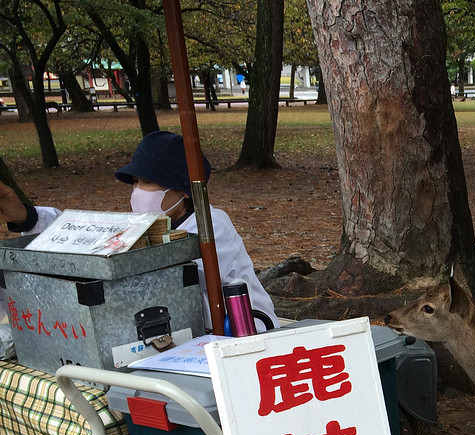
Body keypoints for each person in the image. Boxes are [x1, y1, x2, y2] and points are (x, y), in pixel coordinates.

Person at [1, 130, 278, 333]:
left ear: (182, 190)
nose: (136, 191)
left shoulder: (211, 225)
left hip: (242, 333)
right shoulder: (147, 228)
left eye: (147, 182)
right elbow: (90, 233)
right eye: (134, 182)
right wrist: (27, 218)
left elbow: (170, 276)